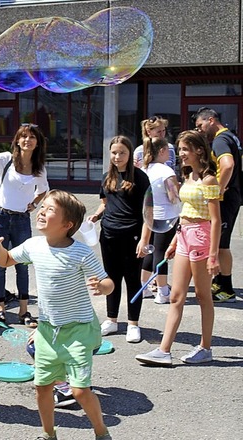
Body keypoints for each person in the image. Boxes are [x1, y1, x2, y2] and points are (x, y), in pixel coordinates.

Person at [0, 189, 114, 440]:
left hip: (78, 330)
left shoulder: (81, 252)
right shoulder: (34, 245)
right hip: (47, 331)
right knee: (42, 387)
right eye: (42, 207)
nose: (42, 211)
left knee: (79, 391)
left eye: (50, 209)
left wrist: (101, 287)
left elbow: (108, 281)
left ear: (67, 224)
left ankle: (101, 432)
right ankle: (48, 434)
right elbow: (6, 260)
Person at [136, 130, 220, 366]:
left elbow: (215, 220)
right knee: (176, 296)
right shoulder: (188, 176)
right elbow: (184, 213)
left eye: (185, 149)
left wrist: (214, 255)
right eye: (179, 149)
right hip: (184, 237)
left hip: (202, 239)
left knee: (204, 296)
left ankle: (205, 347)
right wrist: (174, 241)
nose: (180, 154)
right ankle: (164, 350)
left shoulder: (209, 179)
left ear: (199, 151)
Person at [0, 123, 49, 327]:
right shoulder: (6, 159)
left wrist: (33, 204)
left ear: (37, 142)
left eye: (32, 137)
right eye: (23, 136)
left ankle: (24, 311)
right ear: (17, 140)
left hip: (21, 219)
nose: (27, 140)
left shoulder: (39, 168)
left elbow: (43, 190)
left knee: (23, 264)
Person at [88, 136, 150, 343]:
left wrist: (144, 239)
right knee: (111, 279)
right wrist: (95, 216)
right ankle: (112, 320)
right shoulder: (107, 177)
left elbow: (148, 212)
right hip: (108, 235)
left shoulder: (140, 178)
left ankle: (133, 323)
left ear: (130, 153)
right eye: (114, 152)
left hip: (132, 236)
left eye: (122, 152)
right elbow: (105, 203)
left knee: (133, 280)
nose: (117, 156)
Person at [194, 107, 241, 303]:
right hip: (233, 197)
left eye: (200, 125)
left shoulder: (221, 140)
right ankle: (220, 281)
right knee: (220, 242)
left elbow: (228, 164)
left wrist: (219, 189)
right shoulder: (231, 137)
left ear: (211, 120)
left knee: (221, 245)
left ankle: (227, 290)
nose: (199, 130)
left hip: (226, 200)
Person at [140, 136, 181, 304]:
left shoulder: (145, 169)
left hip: (149, 215)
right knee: (161, 251)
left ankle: (143, 286)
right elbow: (173, 197)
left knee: (151, 249)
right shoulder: (166, 172)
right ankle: (163, 291)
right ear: (162, 151)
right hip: (166, 216)